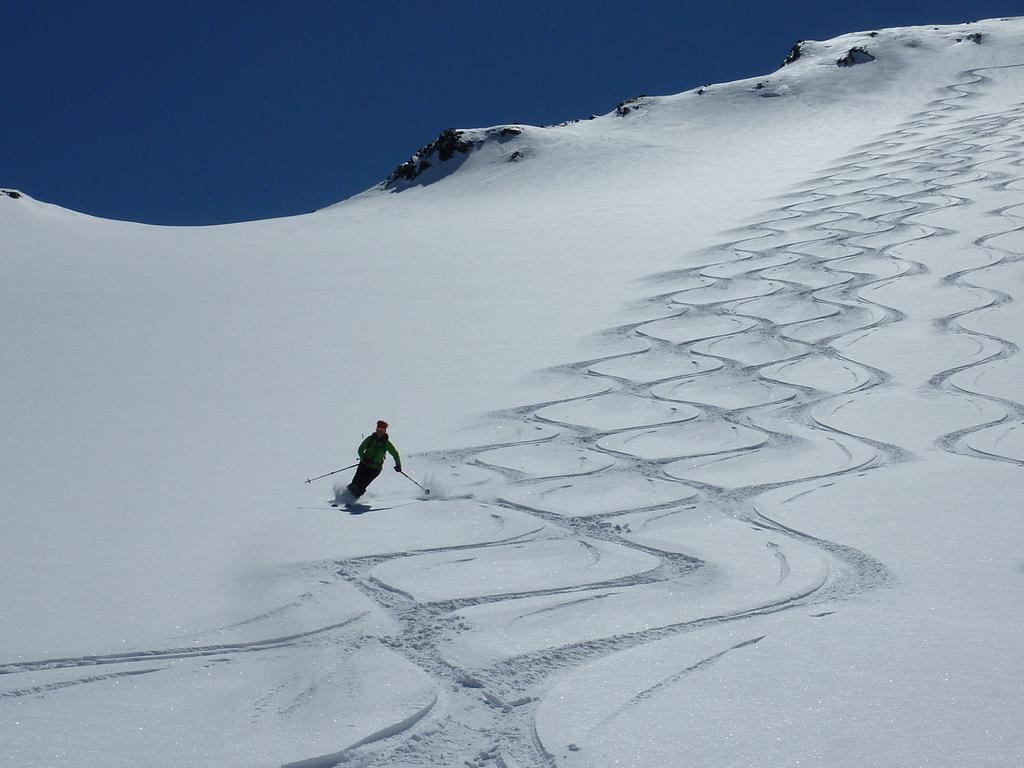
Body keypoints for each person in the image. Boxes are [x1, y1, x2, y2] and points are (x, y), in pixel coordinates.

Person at [347, 420, 401, 498]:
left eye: (381, 430)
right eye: (378, 429)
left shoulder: (386, 443)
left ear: (384, 431)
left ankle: (351, 501)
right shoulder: (370, 439)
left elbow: (395, 454)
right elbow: (360, 449)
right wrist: (364, 458)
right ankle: (345, 497)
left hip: (375, 468)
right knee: (355, 483)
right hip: (364, 465)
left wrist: (398, 465)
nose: (379, 431)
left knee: (361, 486)